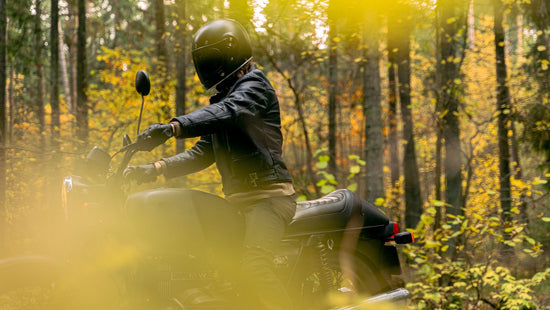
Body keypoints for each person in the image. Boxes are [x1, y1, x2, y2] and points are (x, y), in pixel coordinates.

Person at [124, 19, 296, 310]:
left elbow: (230, 112)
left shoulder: (254, 88)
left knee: (254, 264)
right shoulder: (225, 98)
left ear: (229, 54)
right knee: (204, 259)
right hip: (239, 203)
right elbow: (203, 152)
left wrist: (173, 128)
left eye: (209, 57)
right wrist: (155, 169)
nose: (206, 65)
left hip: (269, 199)